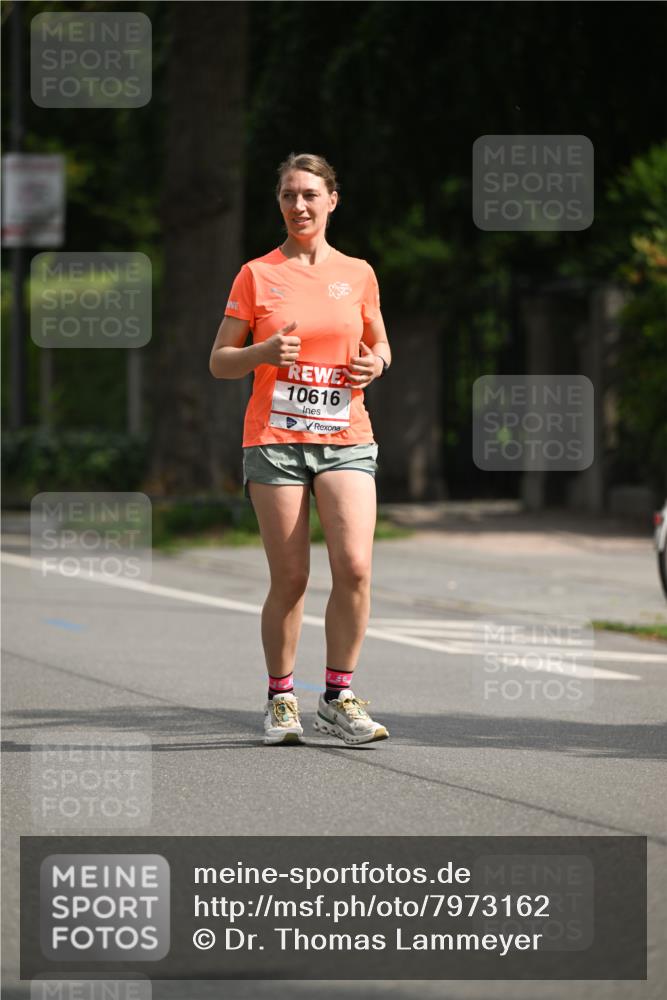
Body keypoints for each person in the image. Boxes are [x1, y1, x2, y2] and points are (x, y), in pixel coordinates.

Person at [209, 152, 392, 747]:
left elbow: (380, 344)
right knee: (290, 578)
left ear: (332, 200)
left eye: (311, 194)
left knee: (357, 568)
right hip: (277, 442)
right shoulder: (256, 274)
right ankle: (281, 698)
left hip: (345, 439)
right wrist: (261, 354)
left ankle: (337, 696)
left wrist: (375, 364)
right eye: (289, 195)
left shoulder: (359, 273)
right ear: (279, 202)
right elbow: (219, 361)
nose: (299, 205)